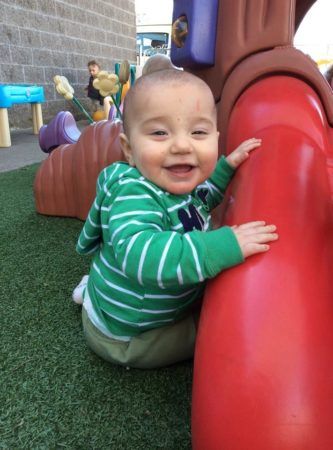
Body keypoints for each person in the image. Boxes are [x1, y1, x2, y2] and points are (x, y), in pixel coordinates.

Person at [73, 69, 278, 369]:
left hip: (134, 304)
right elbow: (142, 254)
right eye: (159, 133)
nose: (182, 145)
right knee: (209, 330)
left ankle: (93, 293)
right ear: (129, 150)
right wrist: (219, 247)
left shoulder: (173, 184)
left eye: (198, 133)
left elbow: (192, 209)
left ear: (215, 139)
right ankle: (96, 306)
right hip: (127, 334)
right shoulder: (133, 193)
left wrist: (225, 169)